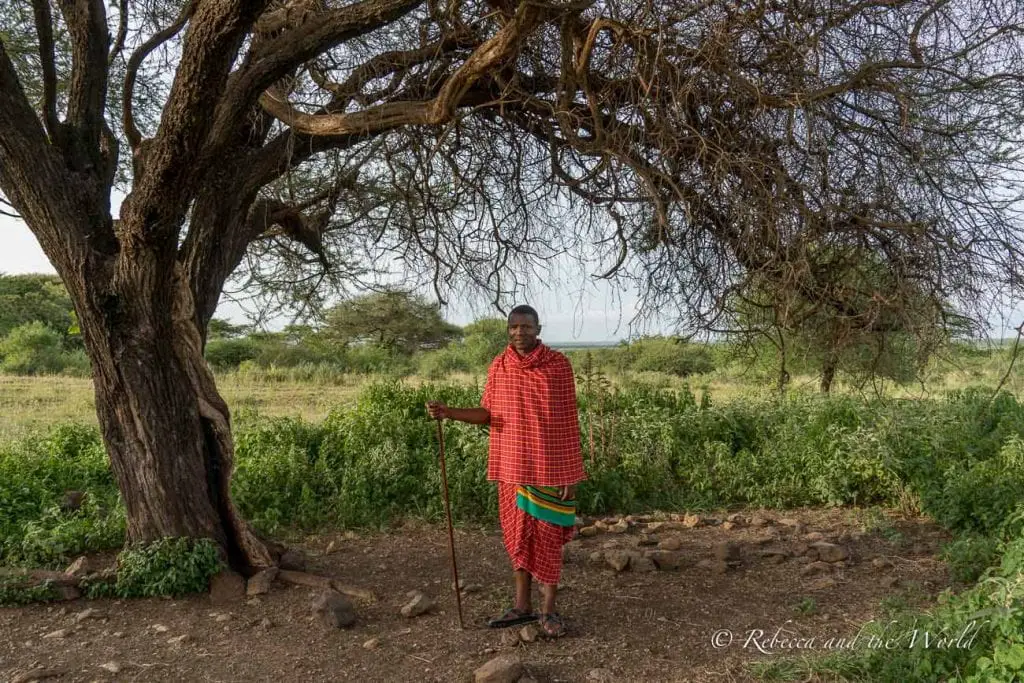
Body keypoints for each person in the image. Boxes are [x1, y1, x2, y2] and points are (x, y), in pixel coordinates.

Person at [426, 305, 586, 638]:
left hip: (548, 469)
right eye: (513, 327)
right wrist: (448, 412)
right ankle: (521, 606)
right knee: (518, 539)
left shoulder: (558, 366)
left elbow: (568, 422)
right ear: (508, 329)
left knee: (547, 541)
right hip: (512, 468)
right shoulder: (499, 367)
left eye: (526, 327)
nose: (519, 333)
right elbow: (488, 414)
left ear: (538, 328)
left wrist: (570, 473)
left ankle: (549, 611)